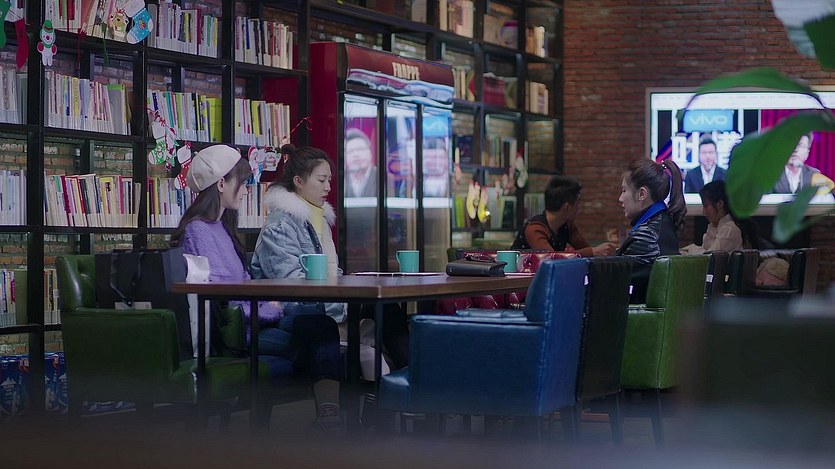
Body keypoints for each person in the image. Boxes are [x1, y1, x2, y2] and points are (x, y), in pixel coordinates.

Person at [249, 145, 409, 422]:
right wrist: (342, 300)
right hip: (290, 313)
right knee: (326, 326)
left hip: (325, 306)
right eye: (321, 180)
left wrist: (346, 289)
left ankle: (408, 392)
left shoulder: (318, 217)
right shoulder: (281, 225)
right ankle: (345, 410)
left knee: (388, 309)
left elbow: (330, 272)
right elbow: (290, 286)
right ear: (298, 182)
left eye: (329, 181)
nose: (328, 188)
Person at [616, 158, 686, 303]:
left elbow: (612, 285)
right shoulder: (665, 223)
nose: (620, 198)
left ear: (642, 194)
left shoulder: (645, 237)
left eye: (624, 191)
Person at [510, 175, 617, 257]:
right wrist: (592, 251)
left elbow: (585, 248)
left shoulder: (566, 226)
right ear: (566, 207)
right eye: (577, 203)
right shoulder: (535, 229)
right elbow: (551, 258)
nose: (579, 208)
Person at [681, 180, 759, 255]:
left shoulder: (730, 229)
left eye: (706, 206)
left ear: (720, 204)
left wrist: (691, 248)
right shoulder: (715, 226)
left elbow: (710, 258)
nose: (703, 212)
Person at [345, 128, 377, 197]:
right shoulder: (340, 179)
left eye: (360, 149)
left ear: (370, 152)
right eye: (350, 151)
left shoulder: (384, 178)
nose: (356, 155)